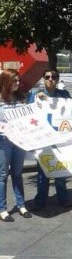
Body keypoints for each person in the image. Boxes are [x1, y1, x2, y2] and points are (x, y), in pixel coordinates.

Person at [29, 69, 72, 210]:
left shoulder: (64, 95)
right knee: (43, 173)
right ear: (43, 79)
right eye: (47, 77)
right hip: (43, 139)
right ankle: (40, 201)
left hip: (60, 139)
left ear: (57, 79)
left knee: (60, 171)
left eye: (54, 77)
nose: (50, 79)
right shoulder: (35, 95)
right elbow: (29, 115)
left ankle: (63, 199)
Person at [0, 69, 31, 222]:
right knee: (3, 175)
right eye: (14, 81)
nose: (18, 83)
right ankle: (2, 208)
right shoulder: (0, 100)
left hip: (19, 141)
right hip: (4, 141)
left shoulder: (21, 99)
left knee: (17, 173)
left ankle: (21, 205)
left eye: (19, 81)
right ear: (6, 81)